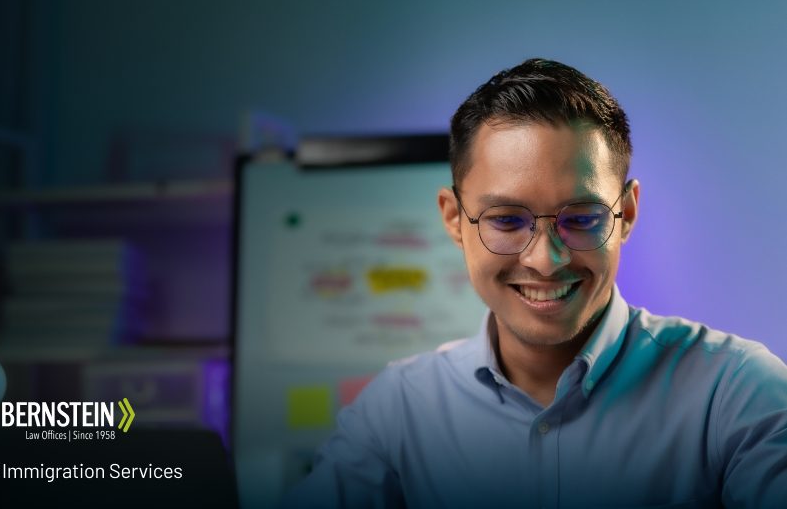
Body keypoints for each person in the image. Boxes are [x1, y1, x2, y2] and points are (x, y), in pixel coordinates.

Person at [283, 58, 787, 508]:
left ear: (627, 214)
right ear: (455, 219)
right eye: (506, 220)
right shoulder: (397, 409)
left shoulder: (738, 394)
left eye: (583, 218)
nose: (545, 261)